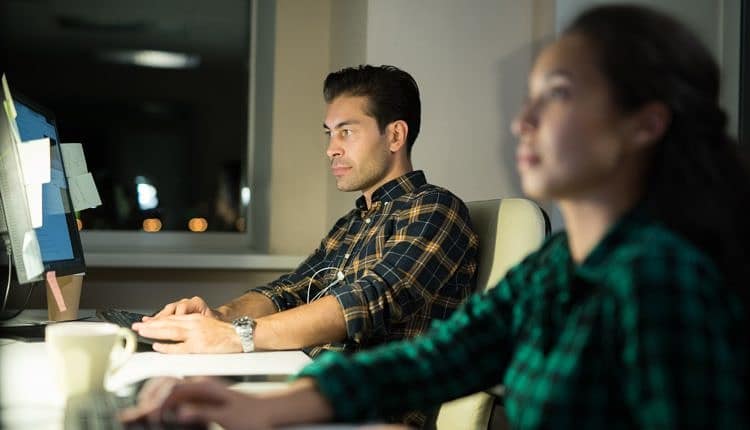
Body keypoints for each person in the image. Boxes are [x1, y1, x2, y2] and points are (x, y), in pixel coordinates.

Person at [122, 5, 749, 429]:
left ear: (645, 124)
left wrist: (243, 345)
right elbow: (438, 358)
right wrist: (261, 402)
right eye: (529, 98)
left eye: (558, 95)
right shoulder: (558, 268)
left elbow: (371, 308)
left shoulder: (664, 279)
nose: (521, 121)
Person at [132, 65, 479, 362]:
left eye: (347, 131)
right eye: (330, 133)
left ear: (395, 135)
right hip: (312, 385)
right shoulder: (352, 224)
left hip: (371, 410)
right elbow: (287, 291)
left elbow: (368, 301)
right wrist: (220, 318)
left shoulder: (435, 209)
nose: (331, 149)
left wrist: (236, 337)